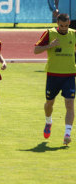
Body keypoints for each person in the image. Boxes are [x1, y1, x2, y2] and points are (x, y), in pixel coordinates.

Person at [34, 13, 76, 145]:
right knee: (49, 104)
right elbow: (36, 50)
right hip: (53, 75)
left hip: (69, 75)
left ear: (69, 23)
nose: (63, 28)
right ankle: (48, 121)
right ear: (57, 23)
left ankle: (67, 134)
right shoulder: (49, 33)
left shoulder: (74, 34)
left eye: (65, 25)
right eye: (61, 25)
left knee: (69, 103)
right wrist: (50, 46)